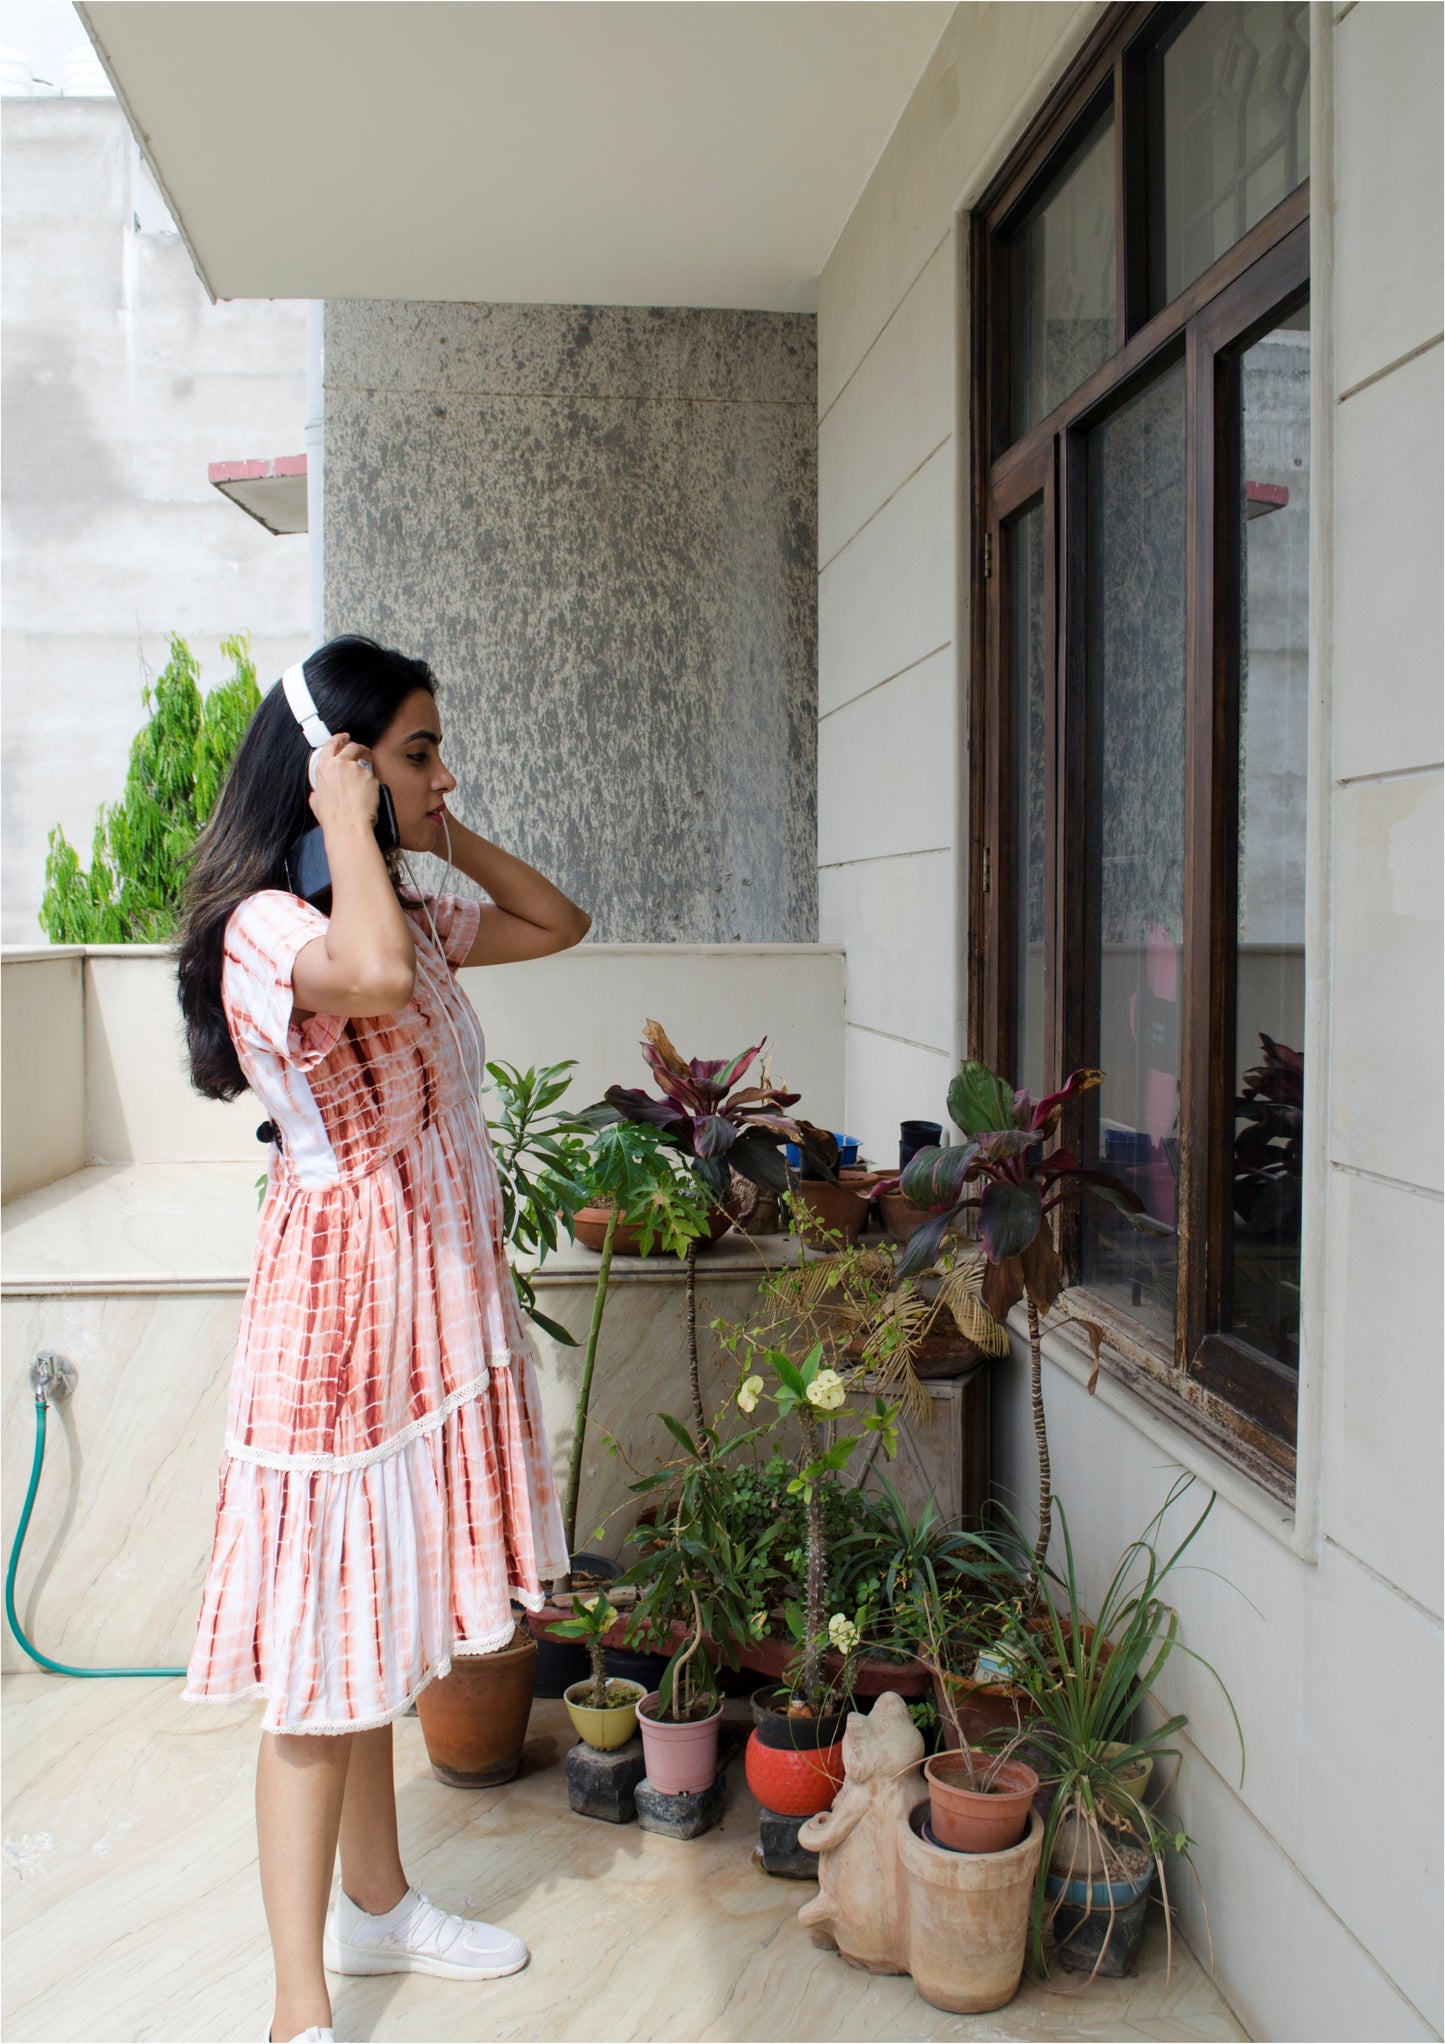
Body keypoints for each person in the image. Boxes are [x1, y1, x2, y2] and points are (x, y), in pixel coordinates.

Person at [175, 636, 590, 2044]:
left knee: (377, 1635)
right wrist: (358, 822)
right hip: (339, 1335)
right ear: (330, 766)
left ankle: (379, 1906)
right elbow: (365, 975)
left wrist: (432, 824)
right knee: (318, 1664)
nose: (443, 766)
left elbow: (556, 922)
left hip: (424, 1316)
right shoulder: (268, 930)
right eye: (418, 749)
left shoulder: (394, 903)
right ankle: (299, 2012)